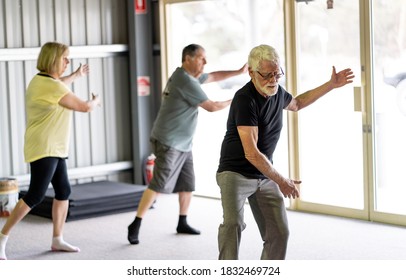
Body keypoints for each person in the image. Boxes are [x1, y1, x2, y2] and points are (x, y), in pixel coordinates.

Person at [216, 44, 354, 260]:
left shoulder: (278, 92)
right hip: (235, 173)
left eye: (277, 73)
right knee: (233, 224)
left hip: (264, 173)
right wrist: (281, 180)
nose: (273, 80)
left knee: (279, 233)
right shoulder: (245, 99)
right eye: (267, 75)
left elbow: (298, 103)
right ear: (251, 73)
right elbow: (251, 153)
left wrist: (331, 85)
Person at [127, 44, 248, 245]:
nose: (205, 62)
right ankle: (136, 223)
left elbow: (213, 76)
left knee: (187, 183)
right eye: (201, 58)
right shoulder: (185, 81)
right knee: (158, 184)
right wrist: (235, 99)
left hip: (183, 142)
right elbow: (212, 106)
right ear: (188, 59)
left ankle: (182, 222)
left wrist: (238, 72)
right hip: (169, 141)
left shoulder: (189, 76)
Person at [0, 42, 101, 260]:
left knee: (63, 191)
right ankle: (2, 237)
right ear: (53, 59)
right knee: (35, 195)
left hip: (54, 147)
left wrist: (74, 75)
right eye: (65, 58)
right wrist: (95, 101)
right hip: (44, 147)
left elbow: (60, 84)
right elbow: (83, 107)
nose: (67, 62)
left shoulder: (43, 81)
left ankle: (57, 239)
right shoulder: (51, 86)